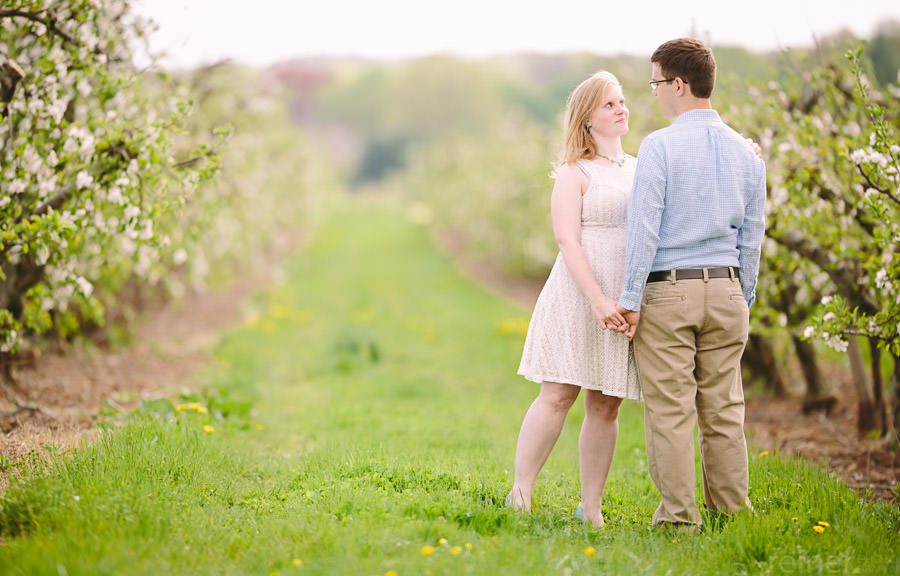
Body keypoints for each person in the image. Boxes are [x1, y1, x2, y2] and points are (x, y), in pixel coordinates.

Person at [616, 38, 766, 529]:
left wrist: (630, 300)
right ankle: (732, 514)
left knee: (671, 411)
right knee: (724, 409)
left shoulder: (659, 147)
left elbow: (644, 229)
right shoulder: (747, 153)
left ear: (679, 84)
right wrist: (742, 297)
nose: (655, 93)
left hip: (668, 289)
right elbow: (753, 236)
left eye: (657, 82)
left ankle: (680, 520)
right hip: (726, 289)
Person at [511, 71, 641, 528]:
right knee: (558, 393)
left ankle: (592, 507)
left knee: (606, 403)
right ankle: (521, 490)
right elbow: (568, 241)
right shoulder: (574, 172)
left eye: (622, 101)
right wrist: (597, 300)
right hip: (579, 290)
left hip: (624, 294)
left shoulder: (641, 167)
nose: (620, 109)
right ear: (587, 118)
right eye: (609, 104)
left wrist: (627, 299)